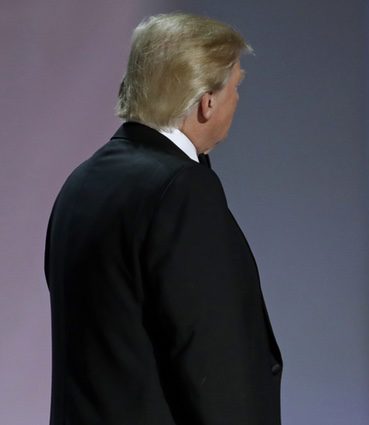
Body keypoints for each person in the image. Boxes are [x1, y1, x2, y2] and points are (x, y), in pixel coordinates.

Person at [44, 13, 282, 425]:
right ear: (207, 102)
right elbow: (213, 360)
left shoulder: (81, 183)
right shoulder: (182, 190)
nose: (237, 100)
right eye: (236, 86)